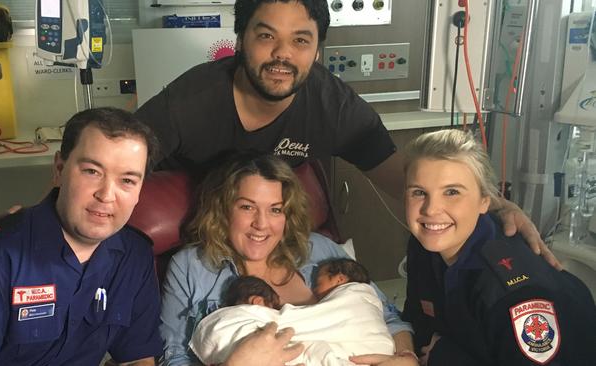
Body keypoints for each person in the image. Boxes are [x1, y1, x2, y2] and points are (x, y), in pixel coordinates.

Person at [134, 0, 555, 267]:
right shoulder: (191, 101)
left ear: (317, 51)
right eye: (266, 36)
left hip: (271, 230)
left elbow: (399, 173)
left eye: (300, 40)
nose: (283, 53)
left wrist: (492, 206)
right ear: (241, 39)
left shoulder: (332, 105)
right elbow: (118, 166)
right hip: (189, 219)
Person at [0, 107, 163, 365]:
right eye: (92, 171)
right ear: (59, 169)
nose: (106, 196)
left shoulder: (133, 256)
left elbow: (137, 357)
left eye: (127, 181)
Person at [160, 153, 416, 366]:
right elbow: (174, 358)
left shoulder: (320, 249)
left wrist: (407, 357)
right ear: (223, 210)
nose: (261, 224)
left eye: (275, 210)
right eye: (247, 207)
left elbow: (388, 316)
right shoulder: (191, 267)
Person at [397, 129, 596, 365]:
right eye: (419, 192)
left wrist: (444, 356)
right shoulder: (425, 244)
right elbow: (418, 321)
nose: (431, 210)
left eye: (452, 192)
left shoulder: (513, 293)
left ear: (485, 201)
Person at [190, 273, 394, 366]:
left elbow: (392, 319)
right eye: (276, 307)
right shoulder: (235, 321)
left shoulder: (320, 247)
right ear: (259, 303)